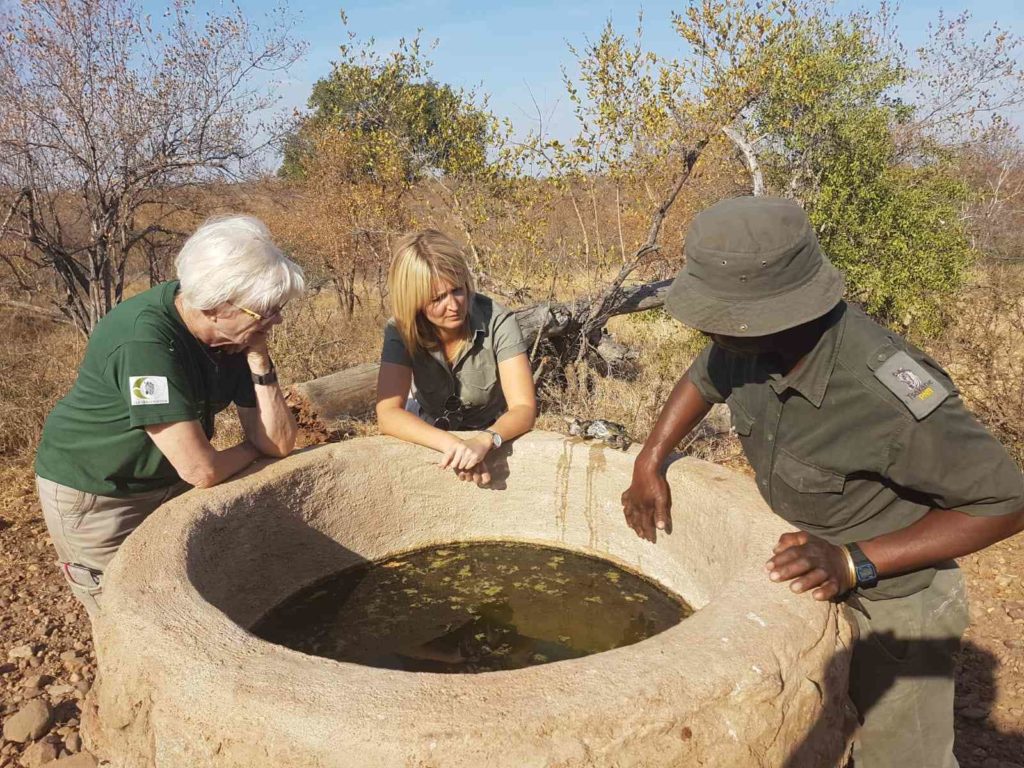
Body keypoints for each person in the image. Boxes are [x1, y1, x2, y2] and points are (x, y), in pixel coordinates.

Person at [620, 196, 1024, 768]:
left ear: (780, 313)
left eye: (723, 320)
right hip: (813, 562)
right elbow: (703, 376)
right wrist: (650, 460)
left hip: (896, 604)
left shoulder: (886, 392)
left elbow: (1005, 504)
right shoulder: (745, 344)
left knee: (900, 753)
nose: (709, 330)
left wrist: (853, 561)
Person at [35, 215, 305, 615]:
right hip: (102, 495)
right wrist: (250, 448)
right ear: (217, 305)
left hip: (166, 481)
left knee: (197, 600)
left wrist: (259, 356)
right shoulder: (145, 341)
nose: (276, 320)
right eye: (266, 310)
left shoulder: (235, 338)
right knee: (132, 616)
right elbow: (202, 470)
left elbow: (279, 443)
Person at [375, 230, 536, 486]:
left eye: (457, 290)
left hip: (492, 427)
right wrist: (455, 446)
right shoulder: (401, 329)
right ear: (413, 300)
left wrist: (485, 440)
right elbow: (388, 413)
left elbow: (524, 408)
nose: (453, 305)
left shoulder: (498, 321)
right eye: (437, 298)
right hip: (432, 429)